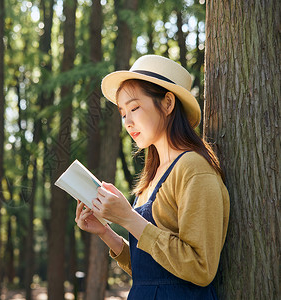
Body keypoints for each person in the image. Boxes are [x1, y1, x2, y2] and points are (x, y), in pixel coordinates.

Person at [75, 55, 230, 299]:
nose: (127, 121)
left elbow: (201, 268)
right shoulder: (152, 176)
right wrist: (107, 232)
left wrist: (128, 219)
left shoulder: (193, 169)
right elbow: (150, 272)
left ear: (168, 104)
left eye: (135, 107)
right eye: (122, 112)